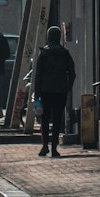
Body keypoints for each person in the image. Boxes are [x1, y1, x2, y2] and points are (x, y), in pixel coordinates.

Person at [32, 26, 76, 157]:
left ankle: (45, 146)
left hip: (45, 91)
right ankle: (54, 148)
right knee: (57, 119)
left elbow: (38, 75)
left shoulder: (44, 54)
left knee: (44, 120)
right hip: (60, 92)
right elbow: (72, 73)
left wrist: (37, 93)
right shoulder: (65, 54)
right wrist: (67, 87)